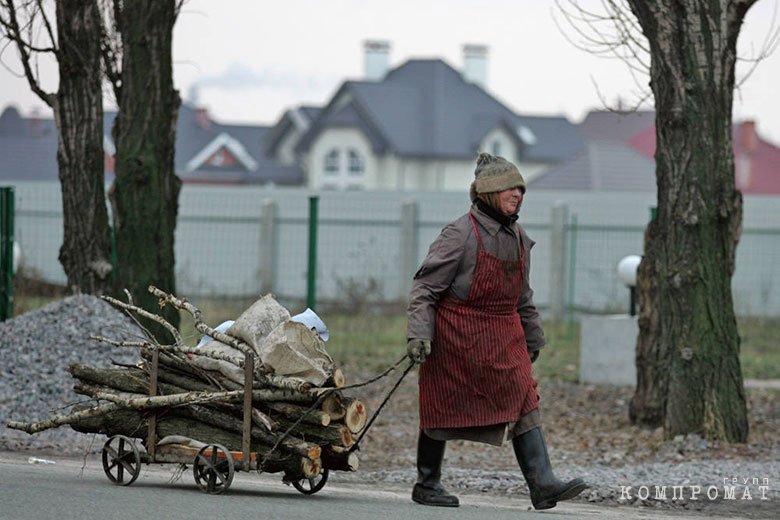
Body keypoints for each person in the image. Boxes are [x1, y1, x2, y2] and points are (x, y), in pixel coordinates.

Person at [406, 153, 586, 510]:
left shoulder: (519, 237)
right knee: (441, 407)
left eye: (520, 187)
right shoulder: (459, 234)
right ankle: (427, 483)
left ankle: (542, 484)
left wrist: (533, 337)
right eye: (508, 188)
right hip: (456, 337)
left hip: (504, 335)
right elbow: (425, 288)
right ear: (487, 193)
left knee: (525, 397)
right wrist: (418, 334)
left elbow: (523, 295)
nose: (517, 194)